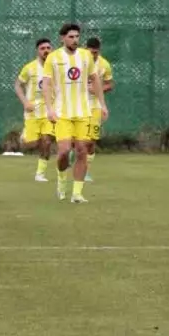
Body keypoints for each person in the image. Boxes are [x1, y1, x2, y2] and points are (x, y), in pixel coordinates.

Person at [42, 23, 107, 204]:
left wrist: (102, 104)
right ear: (62, 38)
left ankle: (77, 193)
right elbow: (46, 84)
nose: (75, 40)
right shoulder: (53, 58)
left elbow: (95, 81)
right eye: (71, 37)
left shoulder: (86, 56)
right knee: (63, 151)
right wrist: (49, 108)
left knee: (81, 151)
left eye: (77, 36)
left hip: (83, 113)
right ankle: (62, 182)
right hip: (62, 113)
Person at [14, 38, 54, 182]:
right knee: (31, 144)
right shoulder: (30, 68)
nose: (46, 51)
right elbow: (18, 85)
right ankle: (24, 136)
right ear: (38, 51)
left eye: (48, 48)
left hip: (49, 111)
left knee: (47, 141)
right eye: (43, 48)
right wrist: (25, 102)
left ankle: (40, 173)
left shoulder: (56, 67)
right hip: (32, 111)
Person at [85, 37, 115, 181]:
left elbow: (110, 84)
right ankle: (75, 155)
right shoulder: (79, 61)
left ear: (99, 51)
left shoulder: (104, 65)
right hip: (78, 105)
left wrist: (98, 89)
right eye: (91, 53)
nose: (93, 56)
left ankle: (86, 172)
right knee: (77, 141)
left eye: (95, 53)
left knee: (91, 141)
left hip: (95, 106)